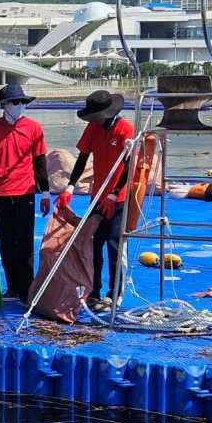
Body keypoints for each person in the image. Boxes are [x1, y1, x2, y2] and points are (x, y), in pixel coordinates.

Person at [0, 84, 51, 302]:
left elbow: (40, 162)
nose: (20, 106)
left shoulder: (34, 127)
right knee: (5, 240)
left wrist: (45, 192)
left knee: (24, 241)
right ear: (5, 105)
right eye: (16, 102)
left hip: (24, 190)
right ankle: (13, 288)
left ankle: (27, 289)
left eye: (22, 102)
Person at [56, 90, 134, 308]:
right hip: (97, 195)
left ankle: (114, 294)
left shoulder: (125, 129)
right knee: (94, 242)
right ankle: (94, 290)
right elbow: (82, 158)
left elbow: (130, 165)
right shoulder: (93, 128)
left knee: (113, 244)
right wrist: (70, 187)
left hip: (118, 197)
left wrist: (113, 193)